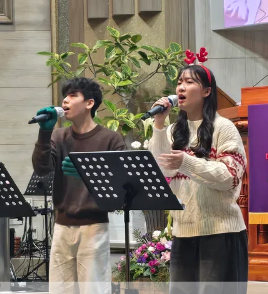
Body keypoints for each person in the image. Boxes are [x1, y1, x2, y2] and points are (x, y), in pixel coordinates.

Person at [147, 64, 248, 294]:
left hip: (220, 233)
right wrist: (159, 124)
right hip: (183, 232)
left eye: (189, 82)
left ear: (207, 91)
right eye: (179, 82)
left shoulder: (224, 128)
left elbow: (229, 177)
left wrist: (185, 161)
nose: (181, 87)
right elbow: (162, 171)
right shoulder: (173, 131)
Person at [31, 77, 125, 294]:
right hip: (61, 225)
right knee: (60, 289)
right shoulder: (58, 135)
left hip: (94, 226)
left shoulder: (111, 139)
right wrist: (44, 132)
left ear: (90, 103)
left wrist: (90, 174)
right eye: (65, 96)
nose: (65, 100)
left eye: (73, 95)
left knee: (93, 289)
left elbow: (120, 185)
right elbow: (41, 169)